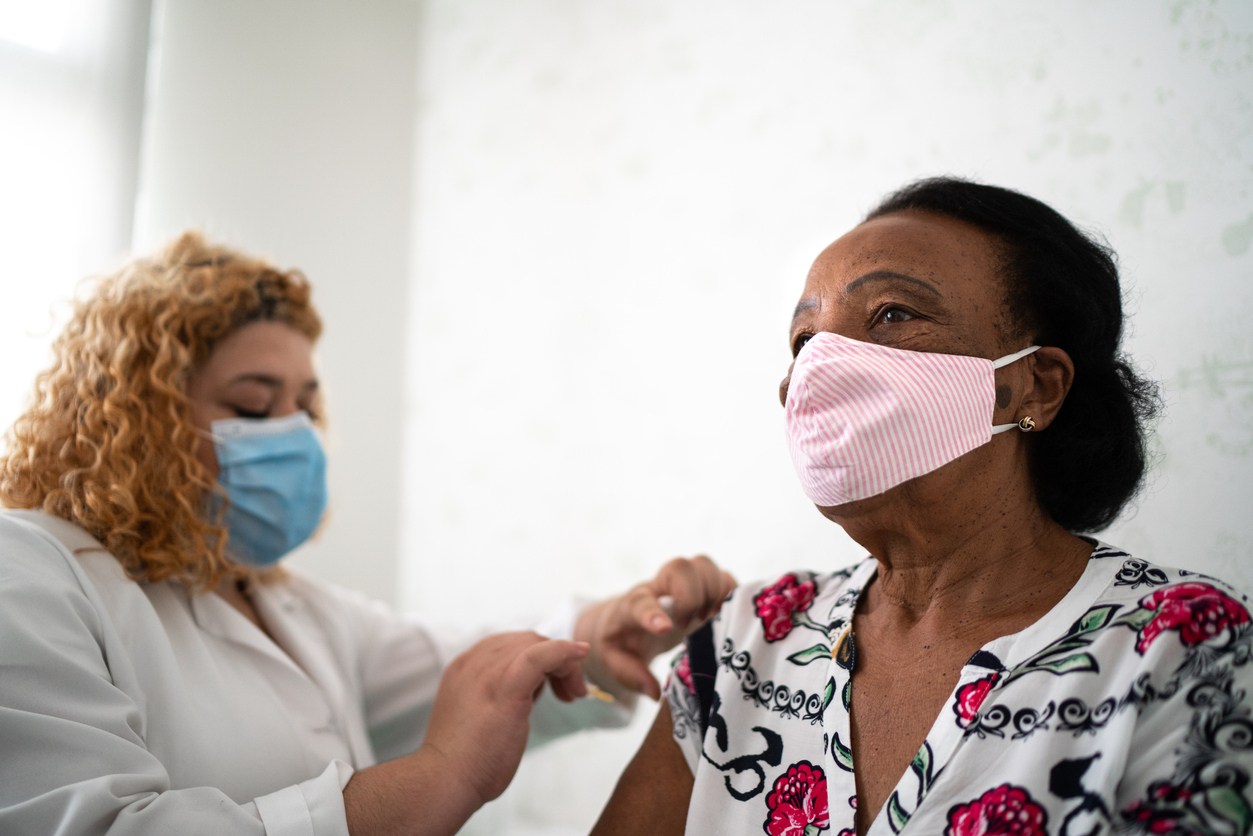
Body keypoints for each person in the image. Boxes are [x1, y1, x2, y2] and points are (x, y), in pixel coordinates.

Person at [0, 232, 736, 836]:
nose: (291, 435)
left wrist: (604, 633)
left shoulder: (295, 609)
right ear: (135, 420)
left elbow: (472, 668)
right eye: (256, 409)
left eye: (306, 409)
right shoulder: (33, 569)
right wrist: (437, 777)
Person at [592, 178, 1253, 836]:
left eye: (891, 313)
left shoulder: (1178, 645)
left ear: (1031, 387)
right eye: (803, 340)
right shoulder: (742, 643)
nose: (818, 366)